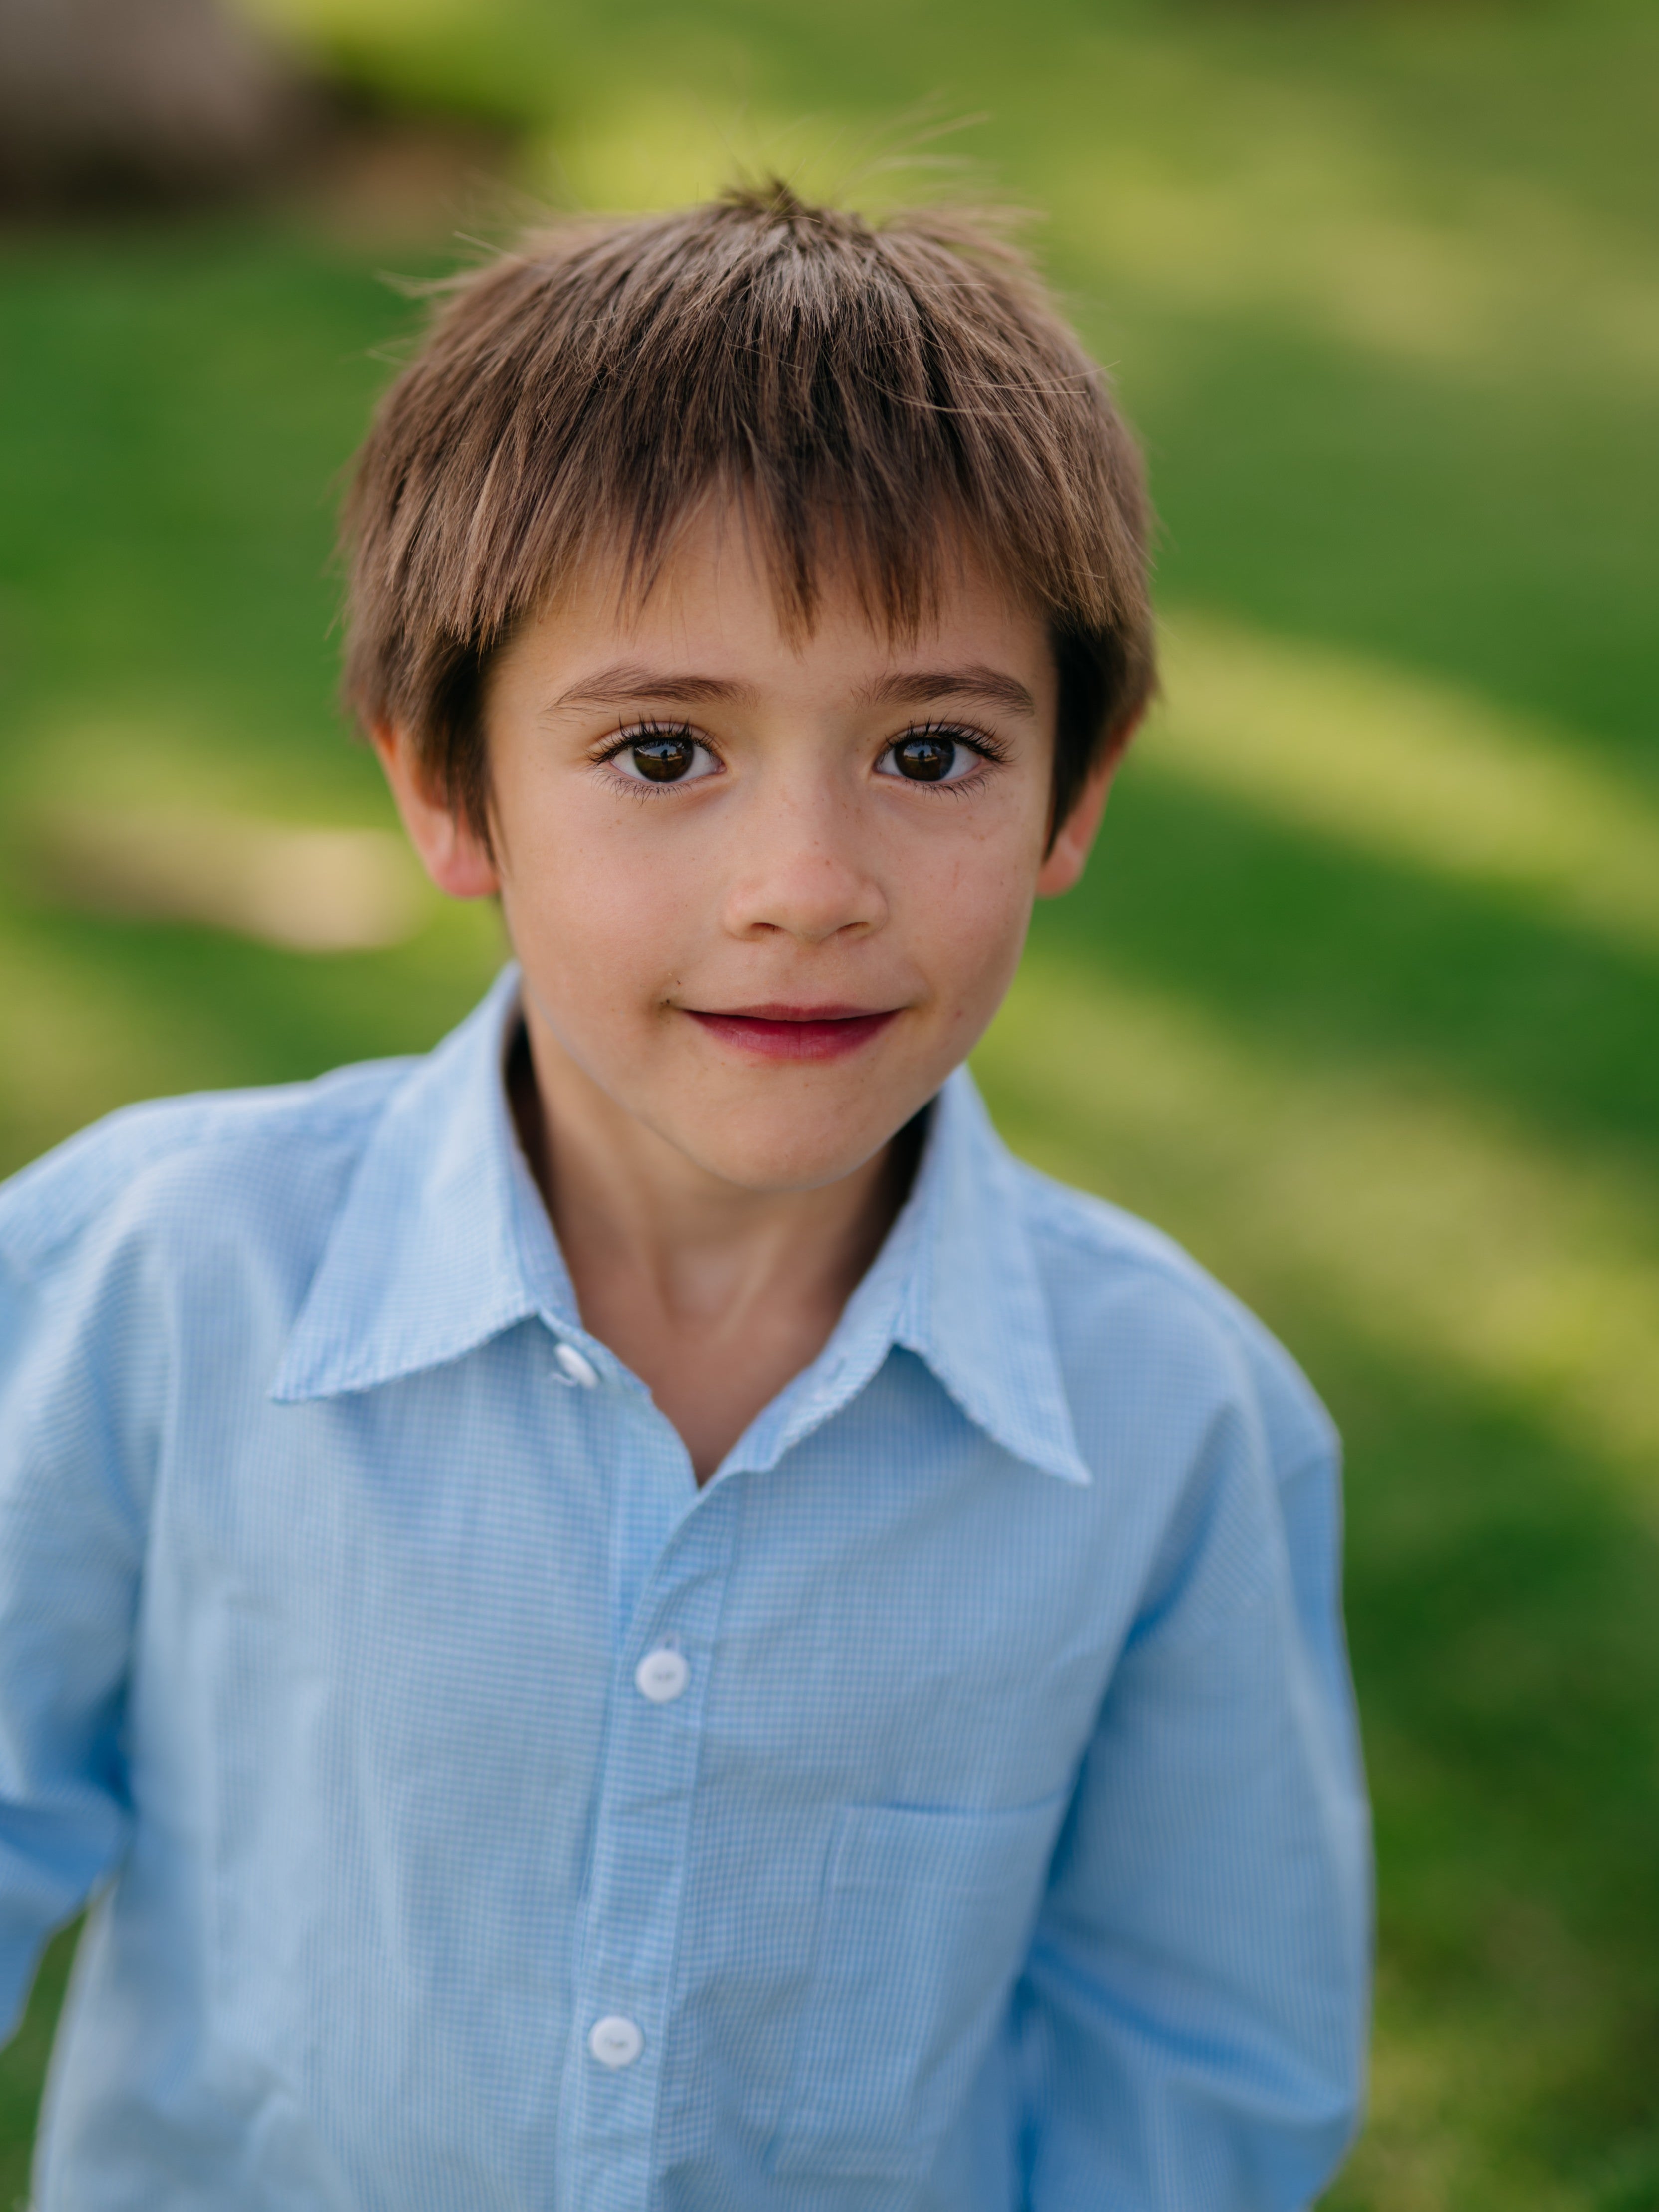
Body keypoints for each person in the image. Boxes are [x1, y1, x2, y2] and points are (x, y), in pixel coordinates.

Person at [0, 183, 1370, 2210]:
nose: (804, 880)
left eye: (930, 751)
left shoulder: (1174, 1420)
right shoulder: (165, 1267)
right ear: (448, 788)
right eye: (662, 748)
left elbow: (1201, 2065)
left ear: (1076, 788)